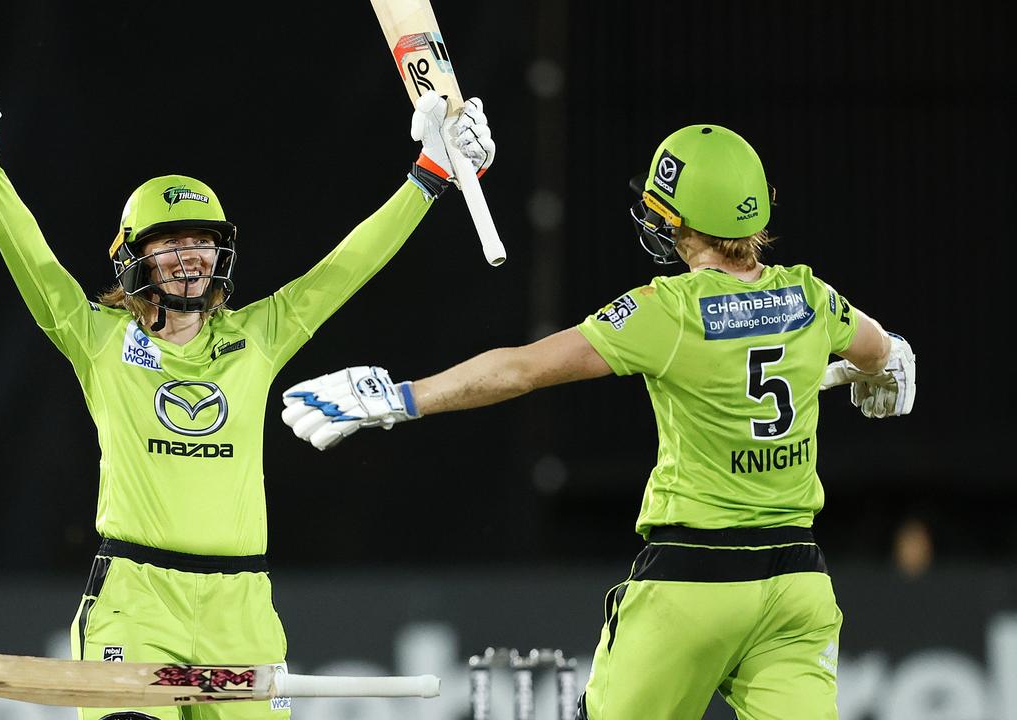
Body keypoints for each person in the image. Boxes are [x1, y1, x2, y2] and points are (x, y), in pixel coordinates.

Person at [280, 124, 917, 719]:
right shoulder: (812, 297)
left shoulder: (667, 311)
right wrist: (884, 366)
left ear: (682, 223)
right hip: (796, 584)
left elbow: (522, 368)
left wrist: (401, 397)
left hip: (693, 582)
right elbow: (882, 352)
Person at [0, 75, 495, 720]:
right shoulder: (96, 337)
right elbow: (29, 255)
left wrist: (427, 178)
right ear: (133, 257)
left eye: (201, 241)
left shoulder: (258, 336)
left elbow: (345, 267)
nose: (189, 256)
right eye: (168, 242)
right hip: (136, 601)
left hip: (241, 606)